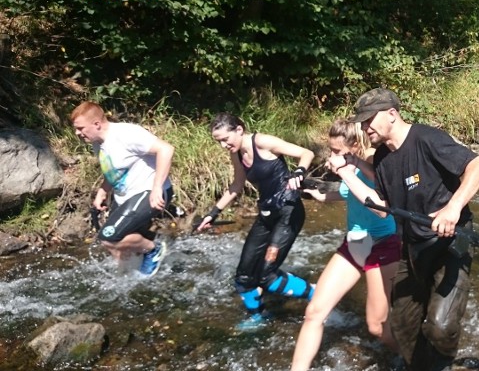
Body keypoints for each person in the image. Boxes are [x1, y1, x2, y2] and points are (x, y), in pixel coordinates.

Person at [337, 88, 479, 371]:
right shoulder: (383, 157)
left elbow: (478, 166)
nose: (364, 127)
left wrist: (452, 208)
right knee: (403, 323)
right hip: (413, 248)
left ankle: (444, 365)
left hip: (449, 243)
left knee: (441, 327)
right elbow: (382, 206)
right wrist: (347, 173)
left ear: (392, 114)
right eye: (362, 121)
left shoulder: (425, 138)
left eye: (370, 119)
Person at [291, 119, 400, 371]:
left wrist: (346, 168)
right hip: (354, 243)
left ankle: (420, 360)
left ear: (357, 146)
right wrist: (315, 193)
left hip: (384, 245)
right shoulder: (348, 167)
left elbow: (373, 185)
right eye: (331, 150)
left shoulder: (375, 161)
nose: (332, 156)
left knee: (378, 328)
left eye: (337, 151)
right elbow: (344, 193)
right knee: (314, 312)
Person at [197, 113, 316, 331]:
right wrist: (212, 213)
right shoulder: (237, 153)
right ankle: (258, 317)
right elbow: (237, 185)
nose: (223, 145)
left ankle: (316, 294)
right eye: (219, 142)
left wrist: (298, 172)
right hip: (267, 214)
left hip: (288, 211)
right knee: (243, 277)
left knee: (267, 277)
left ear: (239, 130)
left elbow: (306, 153)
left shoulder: (262, 142)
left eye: (225, 139)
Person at [70, 101, 174, 276]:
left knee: (109, 238)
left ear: (97, 124)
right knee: (118, 247)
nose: (77, 133)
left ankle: (153, 249)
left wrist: (157, 188)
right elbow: (114, 171)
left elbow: (166, 149)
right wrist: (103, 191)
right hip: (125, 197)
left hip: (149, 192)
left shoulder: (126, 134)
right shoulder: (97, 142)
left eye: (80, 128)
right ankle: (128, 278)